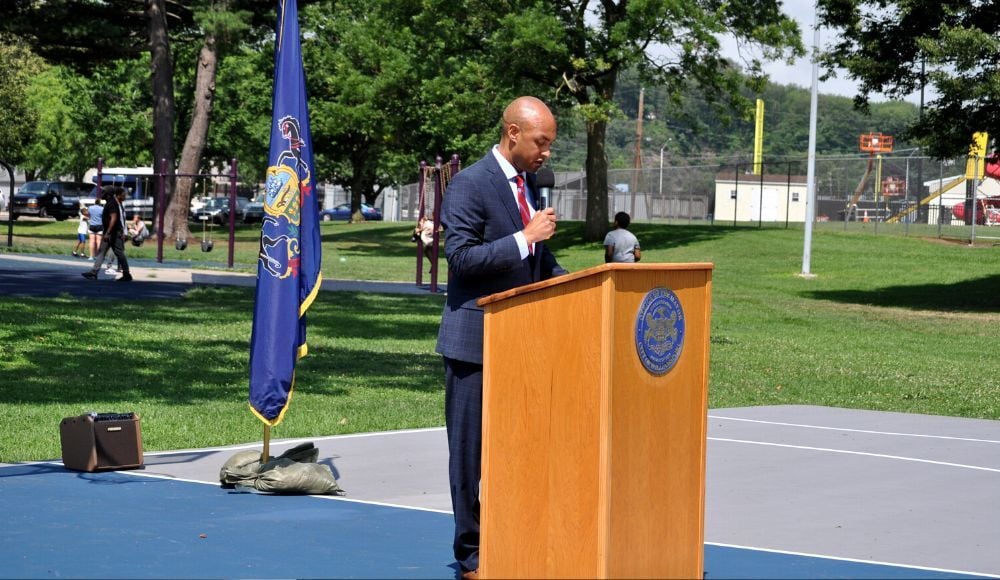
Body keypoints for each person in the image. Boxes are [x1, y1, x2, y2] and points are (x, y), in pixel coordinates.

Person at [435, 96, 566, 580]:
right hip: (473, 343)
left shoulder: (531, 187)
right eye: (541, 142)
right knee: (469, 458)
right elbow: (462, 259)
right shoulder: (470, 184)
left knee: (518, 450)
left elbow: (540, 262)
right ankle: (472, 555)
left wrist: (586, 281)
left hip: (521, 344)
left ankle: (513, 537)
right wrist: (525, 237)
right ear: (513, 133)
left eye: (550, 144)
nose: (546, 153)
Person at [82, 186, 132, 282]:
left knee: (119, 253)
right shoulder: (110, 203)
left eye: (104, 193)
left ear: (108, 194)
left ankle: (126, 274)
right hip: (109, 233)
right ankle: (94, 272)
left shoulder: (112, 203)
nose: (102, 194)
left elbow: (114, 218)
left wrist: (108, 233)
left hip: (113, 233)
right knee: (102, 251)